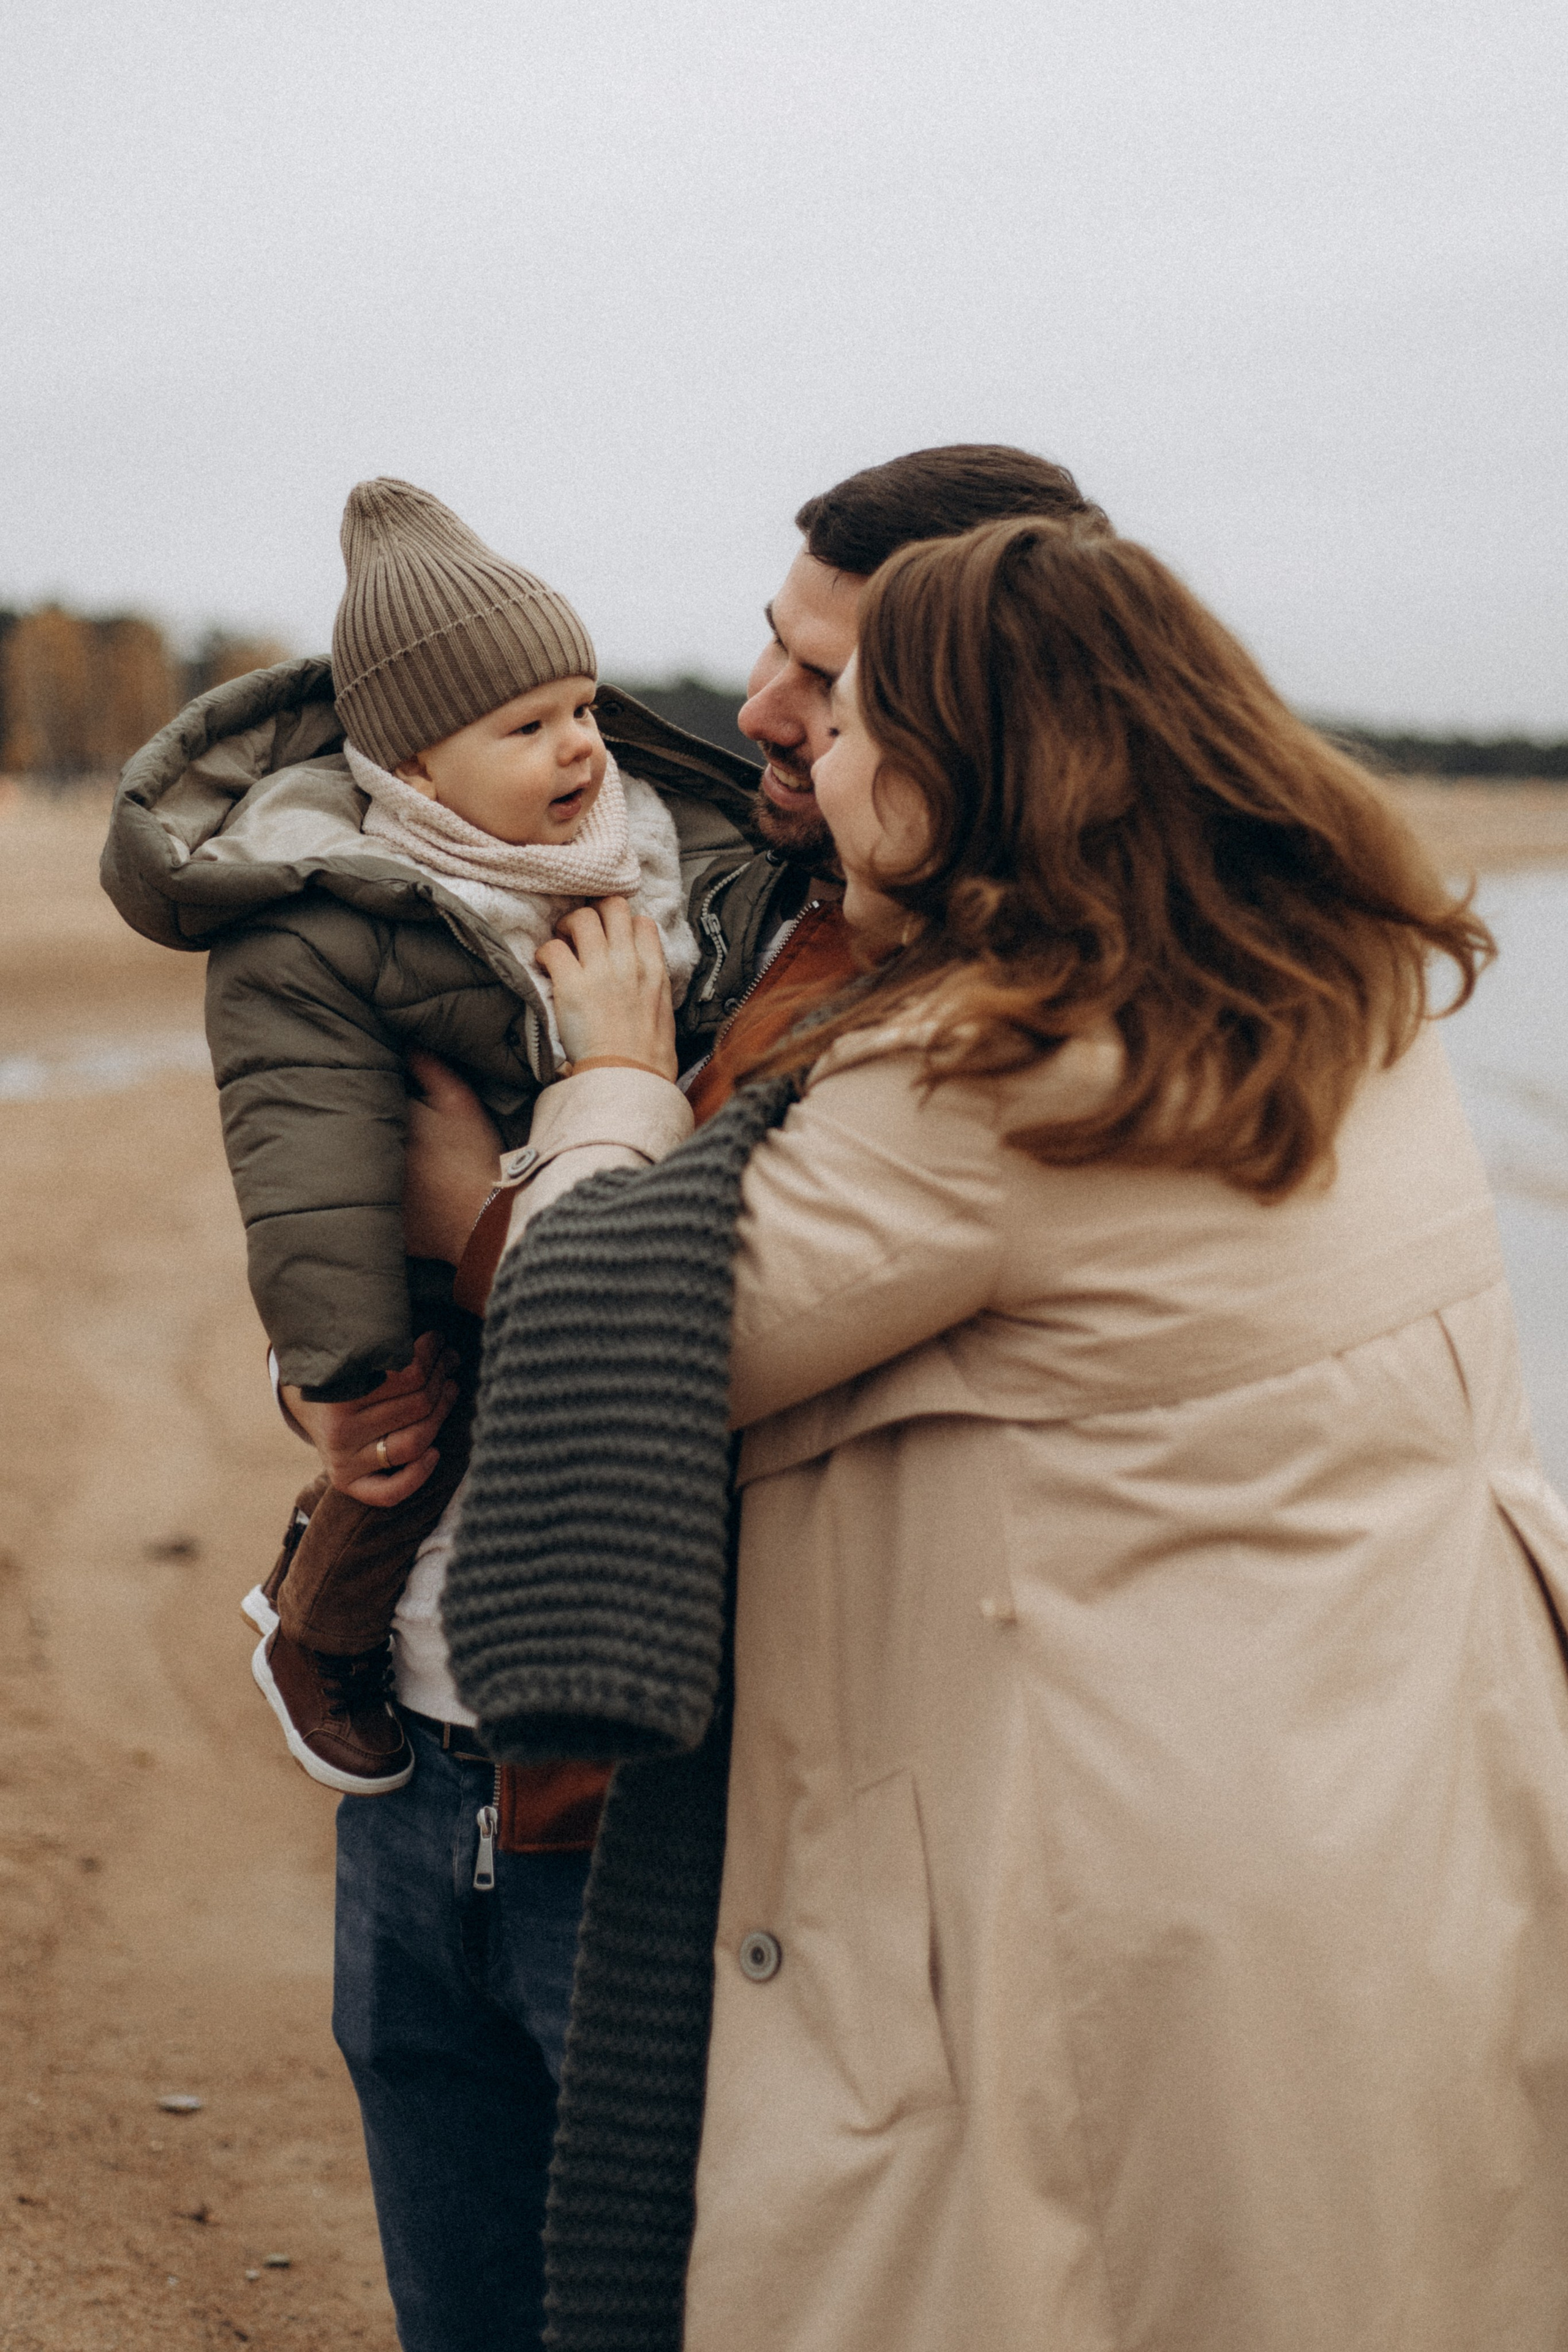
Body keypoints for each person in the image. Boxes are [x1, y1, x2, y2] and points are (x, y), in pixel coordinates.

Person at [415, 513, 1568, 2351]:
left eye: (861, 718)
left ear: (963, 778)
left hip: (1107, 1902)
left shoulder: (1000, 1081)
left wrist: (616, 1089)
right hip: (1376, 1834)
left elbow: (600, 1345)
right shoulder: (1342, 994)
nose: (809, 746)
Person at [250, 445, 1109, 2352]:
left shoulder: (975, 1022)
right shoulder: (719, 882)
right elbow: (338, 1121)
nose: (755, 712)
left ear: (974, 703)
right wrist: (338, 1359)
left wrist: (477, 1205)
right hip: (429, 1767)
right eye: (768, 650)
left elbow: (673, 1342)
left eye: (833, 680)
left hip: (665, 1836)